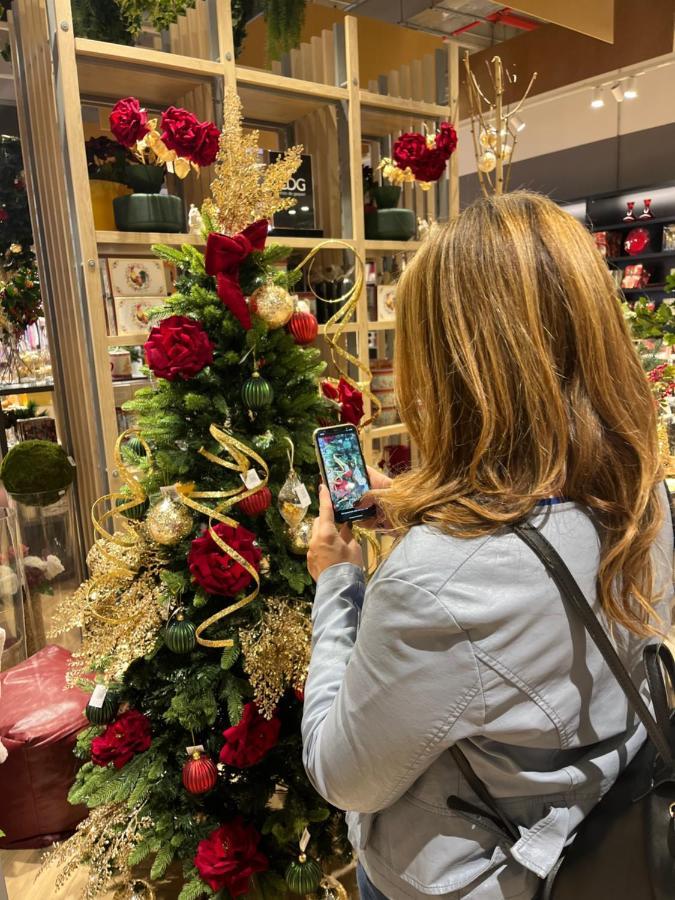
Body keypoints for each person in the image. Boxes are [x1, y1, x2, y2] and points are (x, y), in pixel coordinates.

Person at [302, 191, 674, 900]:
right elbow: (535, 566)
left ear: (452, 368)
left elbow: (342, 773)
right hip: (597, 834)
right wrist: (422, 512)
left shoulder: (432, 587)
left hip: (468, 877)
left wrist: (336, 585)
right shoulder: (640, 498)